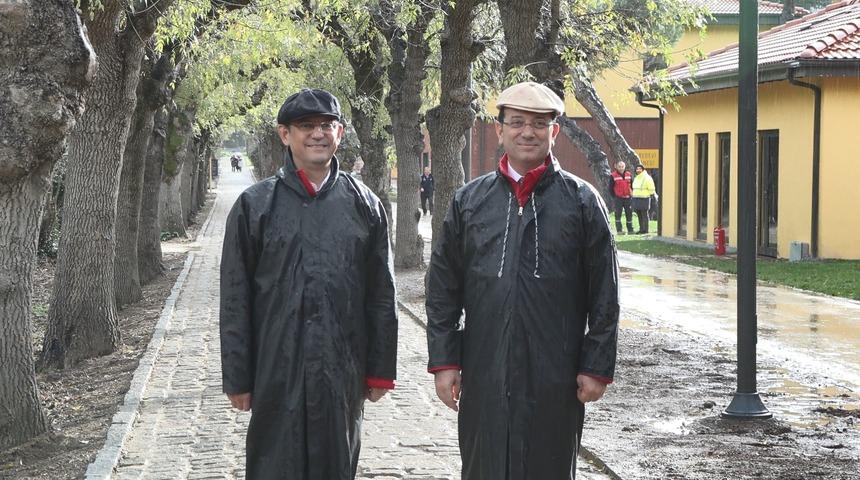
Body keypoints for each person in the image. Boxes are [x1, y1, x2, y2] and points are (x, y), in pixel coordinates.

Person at [426, 81, 619, 480]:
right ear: (499, 130)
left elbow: (605, 292)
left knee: (547, 465)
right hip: (484, 367)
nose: (527, 131)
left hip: (555, 371)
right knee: (483, 466)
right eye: (516, 122)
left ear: (555, 131)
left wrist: (596, 365)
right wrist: (445, 361)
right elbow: (443, 287)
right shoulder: (469, 202)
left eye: (538, 123)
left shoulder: (582, 203)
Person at [219, 88, 398, 479]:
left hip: (342, 366)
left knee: (336, 462)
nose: (317, 134)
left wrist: (380, 368)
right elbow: (236, 296)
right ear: (285, 135)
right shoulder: (255, 206)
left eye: (326, 125)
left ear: (340, 133)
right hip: (275, 365)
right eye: (305, 126)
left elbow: (382, 293)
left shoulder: (364, 204)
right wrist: (238, 375)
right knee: (274, 463)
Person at [610, 160, 634, 235]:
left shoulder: (629, 174)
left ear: (625, 166)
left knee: (629, 214)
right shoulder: (613, 175)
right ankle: (619, 230)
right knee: (618, 214)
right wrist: (614, 197)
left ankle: (630, 230)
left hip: (628, 198)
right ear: (616, 167)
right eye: (619, 166)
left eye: (622, 166)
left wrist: (631, 194)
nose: (621, 168)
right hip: (618, 198)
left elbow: (632, 186)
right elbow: (610, 188)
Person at [632, 164, 656, 234]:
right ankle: (641, 229)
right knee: (639, 214)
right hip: (636, 198)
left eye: (640, 169)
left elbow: (651, 187)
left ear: (643, 170)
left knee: (644, 214)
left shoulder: (647, 177)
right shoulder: (636, 178)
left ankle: (646, 230)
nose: (638, 170)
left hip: (644, 198)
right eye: (637, 169)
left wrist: (652, 195)